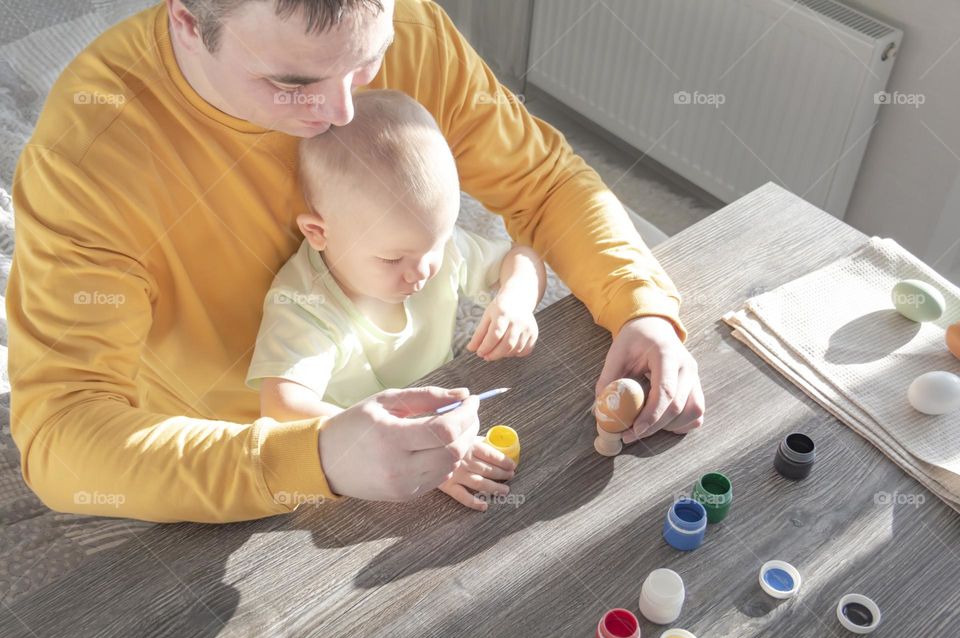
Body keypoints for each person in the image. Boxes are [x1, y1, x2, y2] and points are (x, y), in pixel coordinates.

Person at [7, 0, 704, 523]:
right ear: (187, 21)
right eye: (291, 81)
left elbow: (543, 183)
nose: (342, 109)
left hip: (414, 408)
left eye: (368, 61)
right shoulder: (91, 154)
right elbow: (62, 430)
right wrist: (312, 458)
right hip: (215, 458)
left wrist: (639, 304)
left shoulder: (416, 32)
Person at [249, 89, 545, 509]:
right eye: (392, 259)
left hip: (444, 400)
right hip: (362, 472)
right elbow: (281, 407)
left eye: (436, 243)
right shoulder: (303, 304)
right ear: (319, 233)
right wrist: (408, 445)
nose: (422, 271)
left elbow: (523, 257)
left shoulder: (424, 248)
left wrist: (515, 301)